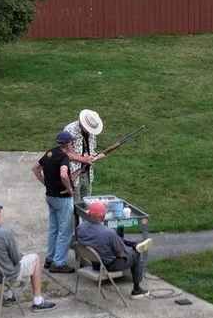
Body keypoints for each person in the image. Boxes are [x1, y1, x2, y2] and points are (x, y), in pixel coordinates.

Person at [0, 200, 54, 307]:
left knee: (1, 261)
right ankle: (38, 301)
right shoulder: (4, 233)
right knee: (35, 258)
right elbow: (16, 259)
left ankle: (8, 296)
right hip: (4, 278)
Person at [74, 198, 149, 296]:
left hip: (95, 263)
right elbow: (121, 254)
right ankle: (137, 290)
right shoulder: (108, 233)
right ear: (104, 216)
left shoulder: (80, 228)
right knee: (136, 254)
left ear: (89, 214)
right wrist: (126, 253)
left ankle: (131, 244)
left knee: (116, 242)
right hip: (109, 266)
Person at [37, 128, 80, 271]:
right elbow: (63, 175)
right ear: (67, 144)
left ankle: (50, 258)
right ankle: (59, 263)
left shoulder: (50, 153)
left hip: (50, 196)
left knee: (54, 229)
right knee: (65, 231)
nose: (72, 145)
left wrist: (46, 183)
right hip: (62, 199)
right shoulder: (64, 157)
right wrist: (69, 189)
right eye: (71, 143)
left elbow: (36, 169)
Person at [66, 108, 105, 197]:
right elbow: (64, 153)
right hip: (73, 173)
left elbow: (91, 150)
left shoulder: (91, 133)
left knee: (87, 201)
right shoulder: (69, 131)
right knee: (75, 204)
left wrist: (97, 156)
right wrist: (83, 159)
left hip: (87, 173)